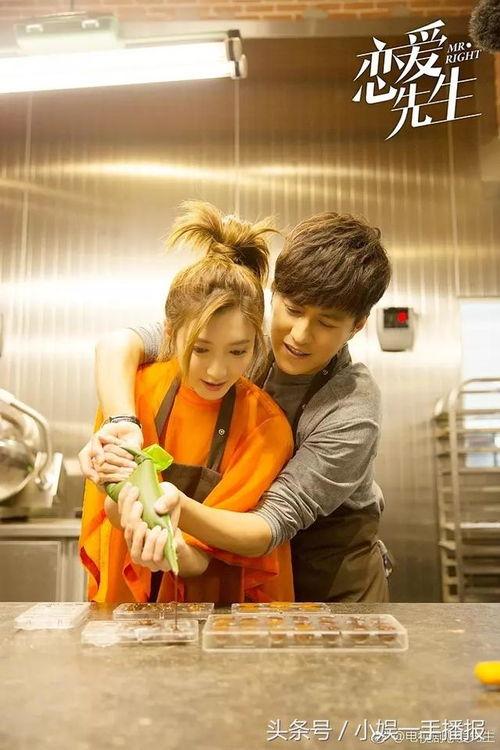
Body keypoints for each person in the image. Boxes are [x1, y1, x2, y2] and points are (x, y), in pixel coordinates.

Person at [81, 211, 392, 602]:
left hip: (332, 575)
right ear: (275, 292)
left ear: (357, 325)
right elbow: (117, 345)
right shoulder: (236, 336)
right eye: (293, 309)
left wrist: (172, 505)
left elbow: (269, 524)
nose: (300, 336)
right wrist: (120, 428)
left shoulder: (351, 408)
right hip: (235, 565)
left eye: (326, 323)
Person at [79, 201, 295, 605]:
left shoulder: (265, 427)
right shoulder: (133, 393)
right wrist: (119, 499)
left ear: (257, 344)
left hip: (220, 613)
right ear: (169, 334)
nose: (217, 370)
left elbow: (221, 553)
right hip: (128, 605)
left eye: (238, 351)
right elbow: (108, 508)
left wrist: (175, 552)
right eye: (200, 349)